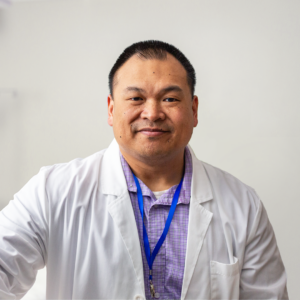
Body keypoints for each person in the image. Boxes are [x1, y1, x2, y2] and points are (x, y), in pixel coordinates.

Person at [0, 40, 288, 300]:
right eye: (136, 98)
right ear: (111, 110)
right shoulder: (52, 190)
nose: (152, 113)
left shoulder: (243, 205)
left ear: (194, 110)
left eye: (170, 99)